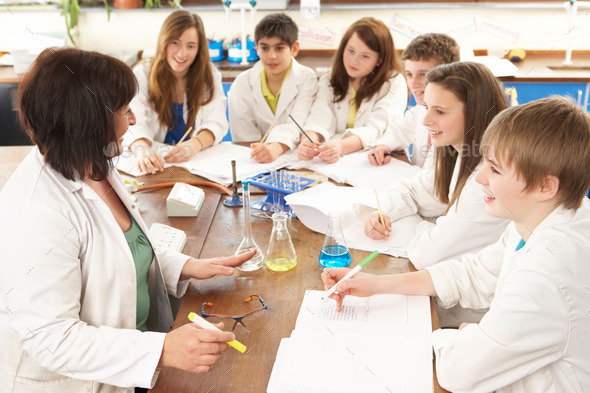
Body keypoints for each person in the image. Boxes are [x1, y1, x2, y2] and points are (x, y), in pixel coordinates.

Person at [0, 48, 256, 392]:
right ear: (88, 120)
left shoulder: (94, 166)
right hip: (79, 381)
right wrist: (162, 349)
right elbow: (52, 339)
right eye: (124, 110)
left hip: (132, 359)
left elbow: (120, 251)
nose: (133, 121)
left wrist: (186, 266)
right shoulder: (37, 212)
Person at [322, 96, 590, 393]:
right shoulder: (543, 215)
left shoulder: (549, 271)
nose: (480, 178)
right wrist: (376, 284)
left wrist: (458, 335)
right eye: (484, 163)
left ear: (545, 186)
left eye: (496, 170)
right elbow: (475, 273)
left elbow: (459, 374)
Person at [363, 62, 509, 272]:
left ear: (474, 113)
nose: (425, 120)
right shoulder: (452, 148)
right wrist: (383, 210)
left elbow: (427, 255)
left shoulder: (487, 178)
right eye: (426, 107)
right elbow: (417, 192)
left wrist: (425, 226)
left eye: (440, 111)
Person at [127, 10, 228, 174]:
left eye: (191, 46)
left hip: (195, 165)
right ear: (163, 42)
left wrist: (195, 144)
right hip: (158, 168)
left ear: (199, 48)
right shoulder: (142, 75)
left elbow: (216, 123)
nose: (182, 53)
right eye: (175, 43)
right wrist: (142, 149)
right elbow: (132, 124)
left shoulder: (210, 76)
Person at [299, 17, 407, 163]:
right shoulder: (329, 79)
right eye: (350, 51)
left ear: (379, 60)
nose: (354, 61)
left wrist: (340, 147)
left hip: (373, 159)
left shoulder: (393, 82)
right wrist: (308, 141)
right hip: (335, 161)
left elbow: (375, 129)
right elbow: (319, 118)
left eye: (365, 56)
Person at [228, 13, 318, 163]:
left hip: (293, 156)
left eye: (279, 48)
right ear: (256, 48)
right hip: (254, 160)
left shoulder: (306, 78)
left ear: (294, 48)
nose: (272, 56)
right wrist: (261, 152)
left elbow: (298, 123)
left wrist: (275, 148)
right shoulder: (242, 83)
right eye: (264, 48)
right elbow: (243, 135)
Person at [368, 33, 460, 168]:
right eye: (409, 74)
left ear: (450, 75)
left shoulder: (455, 122)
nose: (413, 83)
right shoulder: (420, 110)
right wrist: (384, 145)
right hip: (417, 182)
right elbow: (401, 130)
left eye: (424, 74)